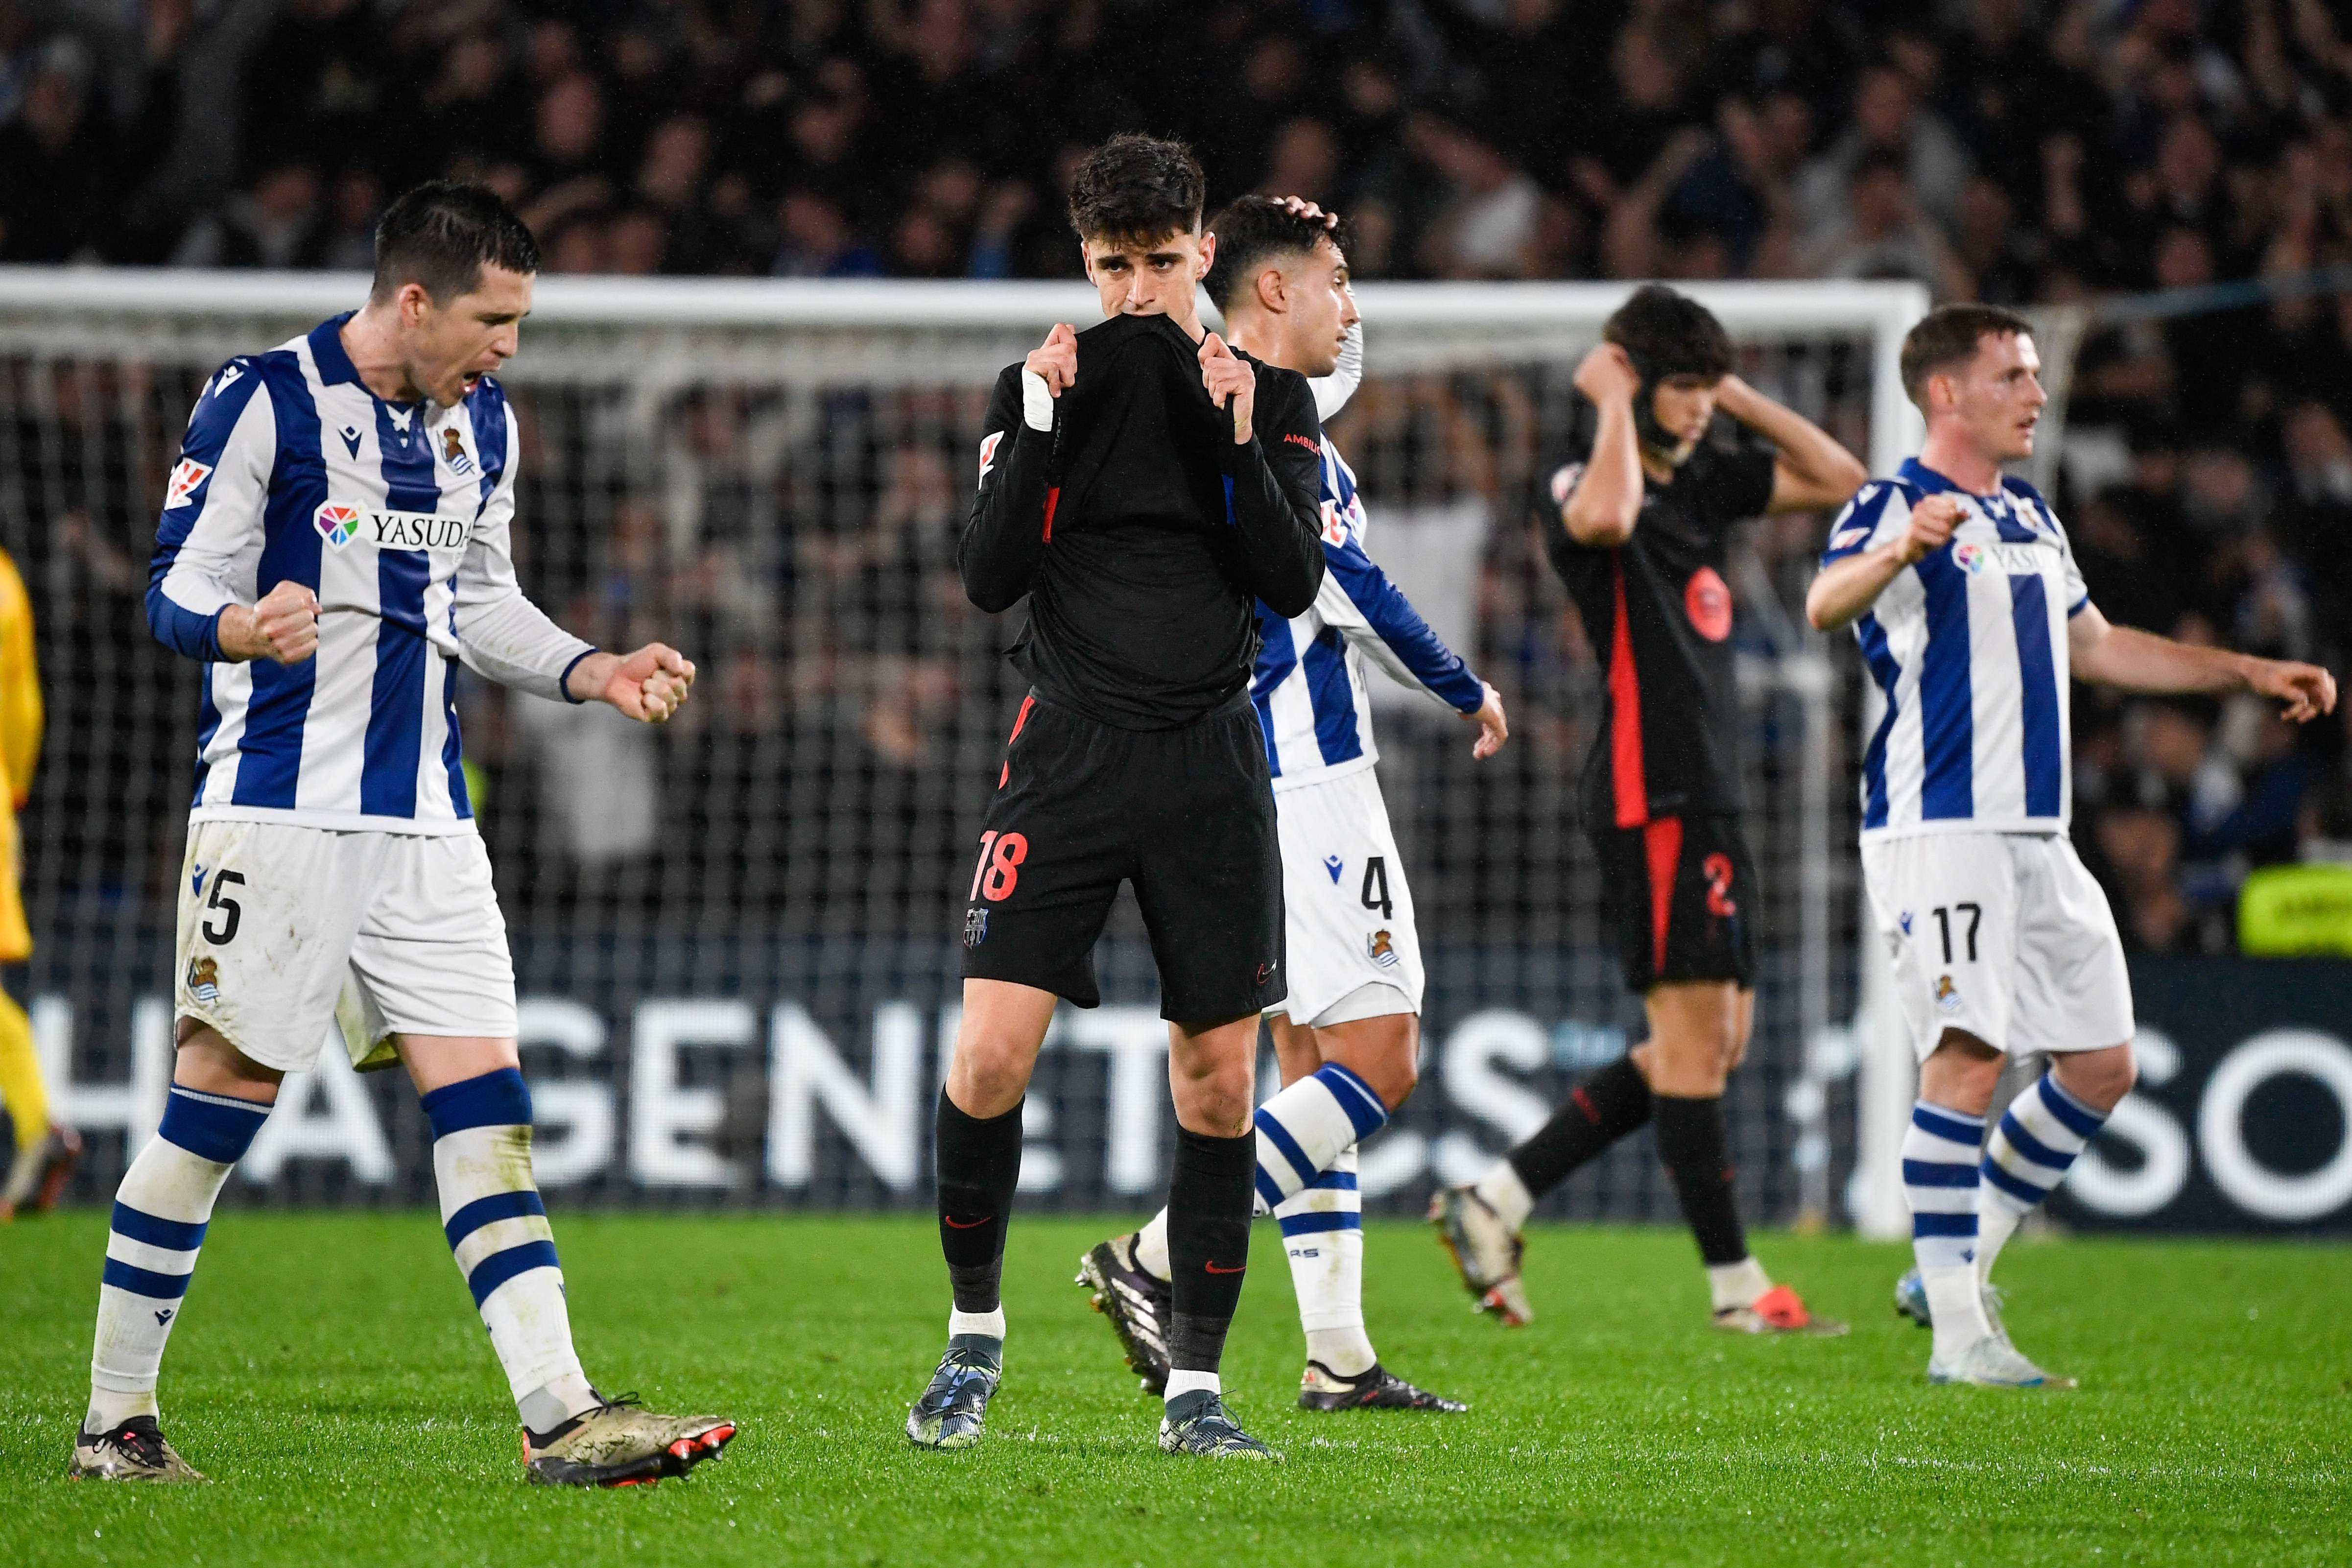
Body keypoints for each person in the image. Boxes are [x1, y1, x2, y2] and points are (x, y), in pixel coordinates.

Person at [74, 182, 735, 1485]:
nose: (510, 346)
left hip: (430, 823)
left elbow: (481, 606)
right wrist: (237, 627)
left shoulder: (483, 421)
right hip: (281, 807)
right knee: (220, 1105)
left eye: (523, 321)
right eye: (494, 318)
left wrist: (592, 668)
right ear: (413, 299)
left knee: (487, 1105)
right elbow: (172, 588)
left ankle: (558, 1416)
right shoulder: (261, 396)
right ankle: (115, 1422)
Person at [1805, 303, 2336, 1387]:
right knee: (1965, 1059)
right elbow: (1823, 601)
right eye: (2012, 375)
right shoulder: (1889, 501)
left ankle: (1950, 1266)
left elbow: (2095, 648)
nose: (2036, 395)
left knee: (2101, 1063)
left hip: (2036, 833)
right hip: (1939, 822)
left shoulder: (2033, 515)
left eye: (2034, 376)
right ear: (1944, 392)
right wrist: (1899, 549)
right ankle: (1959, 1336)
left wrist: (2244, 670)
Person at [905, 136, 1325, 1462]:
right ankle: (973, 1342)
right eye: (1113, 266)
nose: (1139, 291)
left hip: (1208, 762)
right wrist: (1032, 431)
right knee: (984, 1056)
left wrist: (1236, 435)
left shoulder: (1269, 393)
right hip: (1070, 754)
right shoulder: (1041, 389)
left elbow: (1290, 578)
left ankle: (1195, 1391)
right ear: (1082, 263)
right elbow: (984, 579)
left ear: (1204, 253)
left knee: (1217, 1086)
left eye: (1161, 262)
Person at [1077, 196, 1506, 1415]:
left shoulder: (1216, 402)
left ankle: (1337, 1355)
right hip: (1304, 779)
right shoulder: (1269, 427)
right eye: (1335, 280)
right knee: (1382, 1055)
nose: (1351, 308)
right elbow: (1343, 583)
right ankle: (1152, 1253)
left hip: (1231, 770)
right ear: (1273, 292)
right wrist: (1462, 682)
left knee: (1308, 1061)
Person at [1431, 284, 1865, 1335]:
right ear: (1628, 378)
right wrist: (1614, 403)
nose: (1698, 405)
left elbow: (1842, 479)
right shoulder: (1579, 477)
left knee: (1710, 1041)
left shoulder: (1707, 479)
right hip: (1646, 785)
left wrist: (1732, 394)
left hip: (1706, 790)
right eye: (1681, 384)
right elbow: (1610, 516)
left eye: (1701, 385)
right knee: (1689, 1040)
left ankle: (1496, 1197)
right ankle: (1734, 1289)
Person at [0, 544, 79, 1220]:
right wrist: (13, 788)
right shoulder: (8, 588)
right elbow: (23, 704)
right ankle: (36, 1127)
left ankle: (37, 1127)